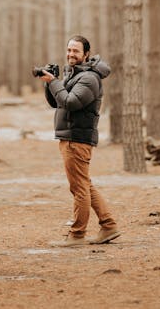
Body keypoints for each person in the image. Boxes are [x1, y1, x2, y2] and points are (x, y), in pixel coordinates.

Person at [37, 34, 121, 247]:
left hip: (77, 139)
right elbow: (57, 103)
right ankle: (109, 226)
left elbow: (70, 102)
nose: (70, 54)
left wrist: (55, 82)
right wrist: (50, 83)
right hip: (71, 137)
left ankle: (77, 234)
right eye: (68, 50)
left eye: (75, 51)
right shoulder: (75, 75)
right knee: (84, 185)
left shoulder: (89, 78)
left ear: (86, 54)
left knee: (79, 188)